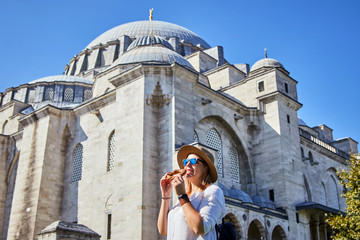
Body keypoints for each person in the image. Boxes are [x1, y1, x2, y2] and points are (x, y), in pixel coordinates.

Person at [158, 145, 226, 240]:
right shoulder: (187, 196)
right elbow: (164, 230)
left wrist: (182, 196)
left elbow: (201, 228)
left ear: (205, 168)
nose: (187, 164)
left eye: (194, 161)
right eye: (186, 161)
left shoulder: (214, 191)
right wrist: (166, 195)